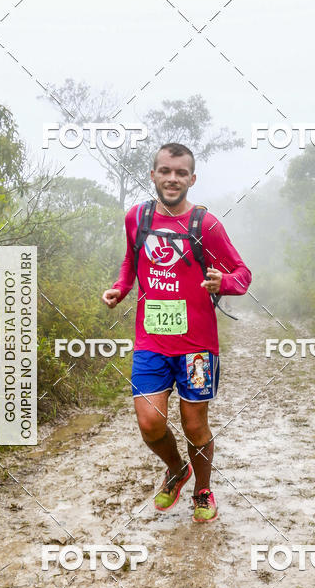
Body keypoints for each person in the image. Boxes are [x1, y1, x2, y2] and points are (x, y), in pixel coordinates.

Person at [102, 142, 251, 522]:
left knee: (194, 423)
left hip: (197, 347)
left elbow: (242, 274)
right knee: (150, 422)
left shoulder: (206, 225)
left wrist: (223, 283)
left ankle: (202, 489)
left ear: (192, 179)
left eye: (181, 173)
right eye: (165, 171)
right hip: (151, 342)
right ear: (153, 174)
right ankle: (177, 469)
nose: (172, 178)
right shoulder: (137, 217)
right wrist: (121, 288)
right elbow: (131, 259)